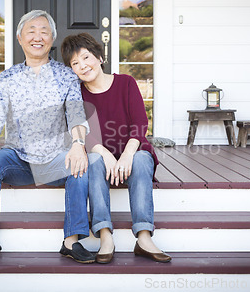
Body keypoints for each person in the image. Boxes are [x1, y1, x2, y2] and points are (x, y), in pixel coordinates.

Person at [0, 10, 95, 264]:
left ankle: (71, 241)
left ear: (52, 39)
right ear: (19, 37)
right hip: (19, 159)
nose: (37, 37)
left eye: (44, 31)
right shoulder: (7, 78)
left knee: (81, 165)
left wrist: (78, 145)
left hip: (54, 161)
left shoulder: (67, 76)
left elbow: (76, 116)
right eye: (31, 31)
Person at [61, 33, 171, 264]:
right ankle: (104, 234)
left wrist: (128, 154)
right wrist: (105, 154)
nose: (82, 66)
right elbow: (84, 132)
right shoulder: (77, 94)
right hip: (101, 155)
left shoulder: (126, 83)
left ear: (100, 57)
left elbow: (140, 123)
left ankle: (143, 237)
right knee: (92, 160)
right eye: (75, 63)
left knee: (142, 159)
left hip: (133, 150)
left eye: (86, 57)